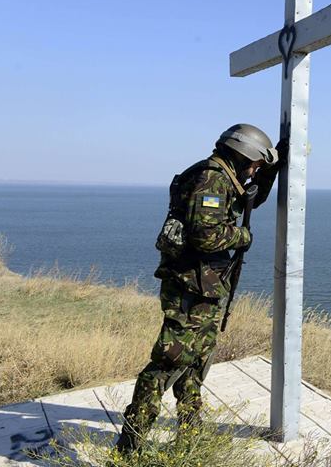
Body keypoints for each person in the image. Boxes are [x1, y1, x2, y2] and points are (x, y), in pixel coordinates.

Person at [115, 123, 285, 454]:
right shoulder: (210, 179)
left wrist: (270, 170)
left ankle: (190, 435)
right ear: (242, 156)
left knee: (194, 364)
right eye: (254, 165)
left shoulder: (221, 177)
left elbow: (246, 202)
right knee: (168, 362)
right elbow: (206, 236)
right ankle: (130, 445)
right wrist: (243, 237)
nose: (254, 172)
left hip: (202, 286)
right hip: (190, 288)